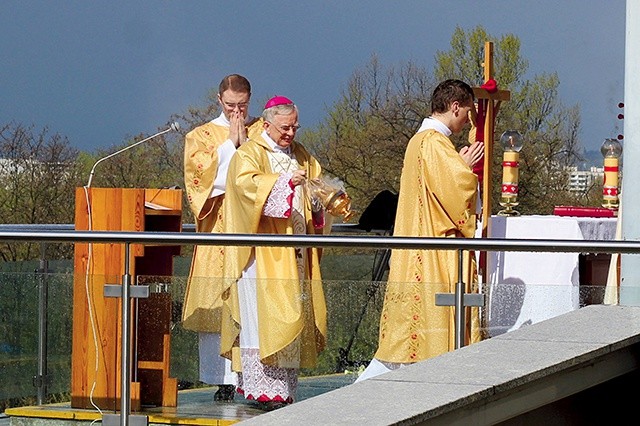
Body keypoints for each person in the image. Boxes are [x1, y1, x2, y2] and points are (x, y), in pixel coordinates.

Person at [356, 79, 485, 382]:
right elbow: (455, 193)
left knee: (402, 346)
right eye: (467, 112)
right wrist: (465, 168)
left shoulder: (421, 140)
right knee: (417, 340)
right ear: (455, 106)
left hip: (417, 244)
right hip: (431, 252)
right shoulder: (434, 142)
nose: (467, 119)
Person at [220, 96, 333, 410]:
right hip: (262, 254)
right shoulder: (250, 154)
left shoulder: (302, 155)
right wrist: (283, 183)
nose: (291, 133)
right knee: (263, 319)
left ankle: (283, 390)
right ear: (267, 124)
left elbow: (316, 189)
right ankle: (265, 390)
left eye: (295, 126)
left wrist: (320, 195)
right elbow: (244, 190)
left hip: (295, 250)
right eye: (285, 127)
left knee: (292, 316)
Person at [181, 74, 263, 401]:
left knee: (254, 305)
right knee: (219, 303)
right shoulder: (199, 136)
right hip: (218, 231)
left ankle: (257, 380)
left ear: (250, 100)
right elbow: (201, 184)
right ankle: (223, 380)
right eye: (230, 105)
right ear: (219, 100)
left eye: (242, 105)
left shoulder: (263, 131)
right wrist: (231, 144)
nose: (236, 112)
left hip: (255, 234)